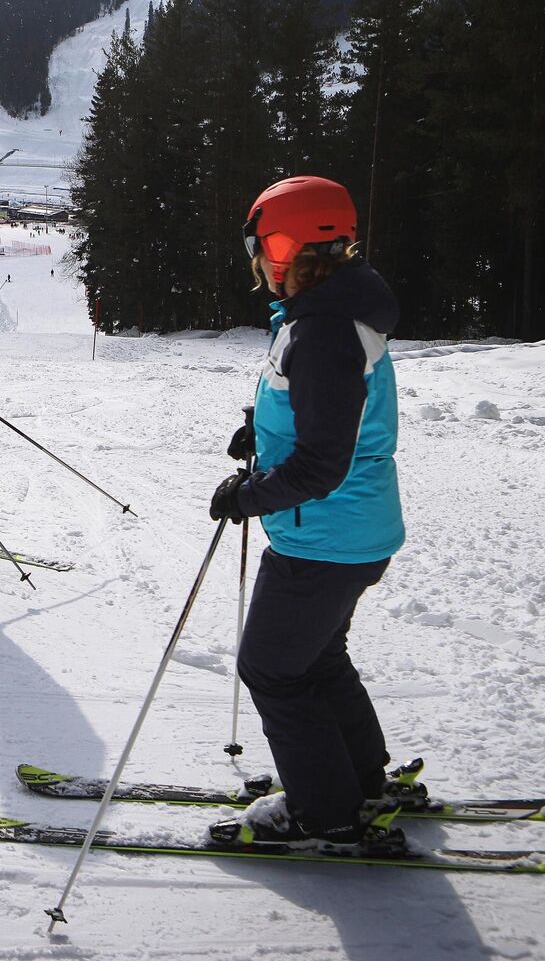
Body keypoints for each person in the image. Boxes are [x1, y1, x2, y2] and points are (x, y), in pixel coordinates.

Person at [206, 175, 405, 852]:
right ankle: (359, 779)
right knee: (316, 659)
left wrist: (247, 495)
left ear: (289, 244)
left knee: (273, 668)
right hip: (348, 530)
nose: (257, 261)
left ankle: (325, 810)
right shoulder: (328, 314)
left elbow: (323, 463)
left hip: (323, 536)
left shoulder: (322, 329)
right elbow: (320, 416)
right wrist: (260, 438)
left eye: (260, 246)